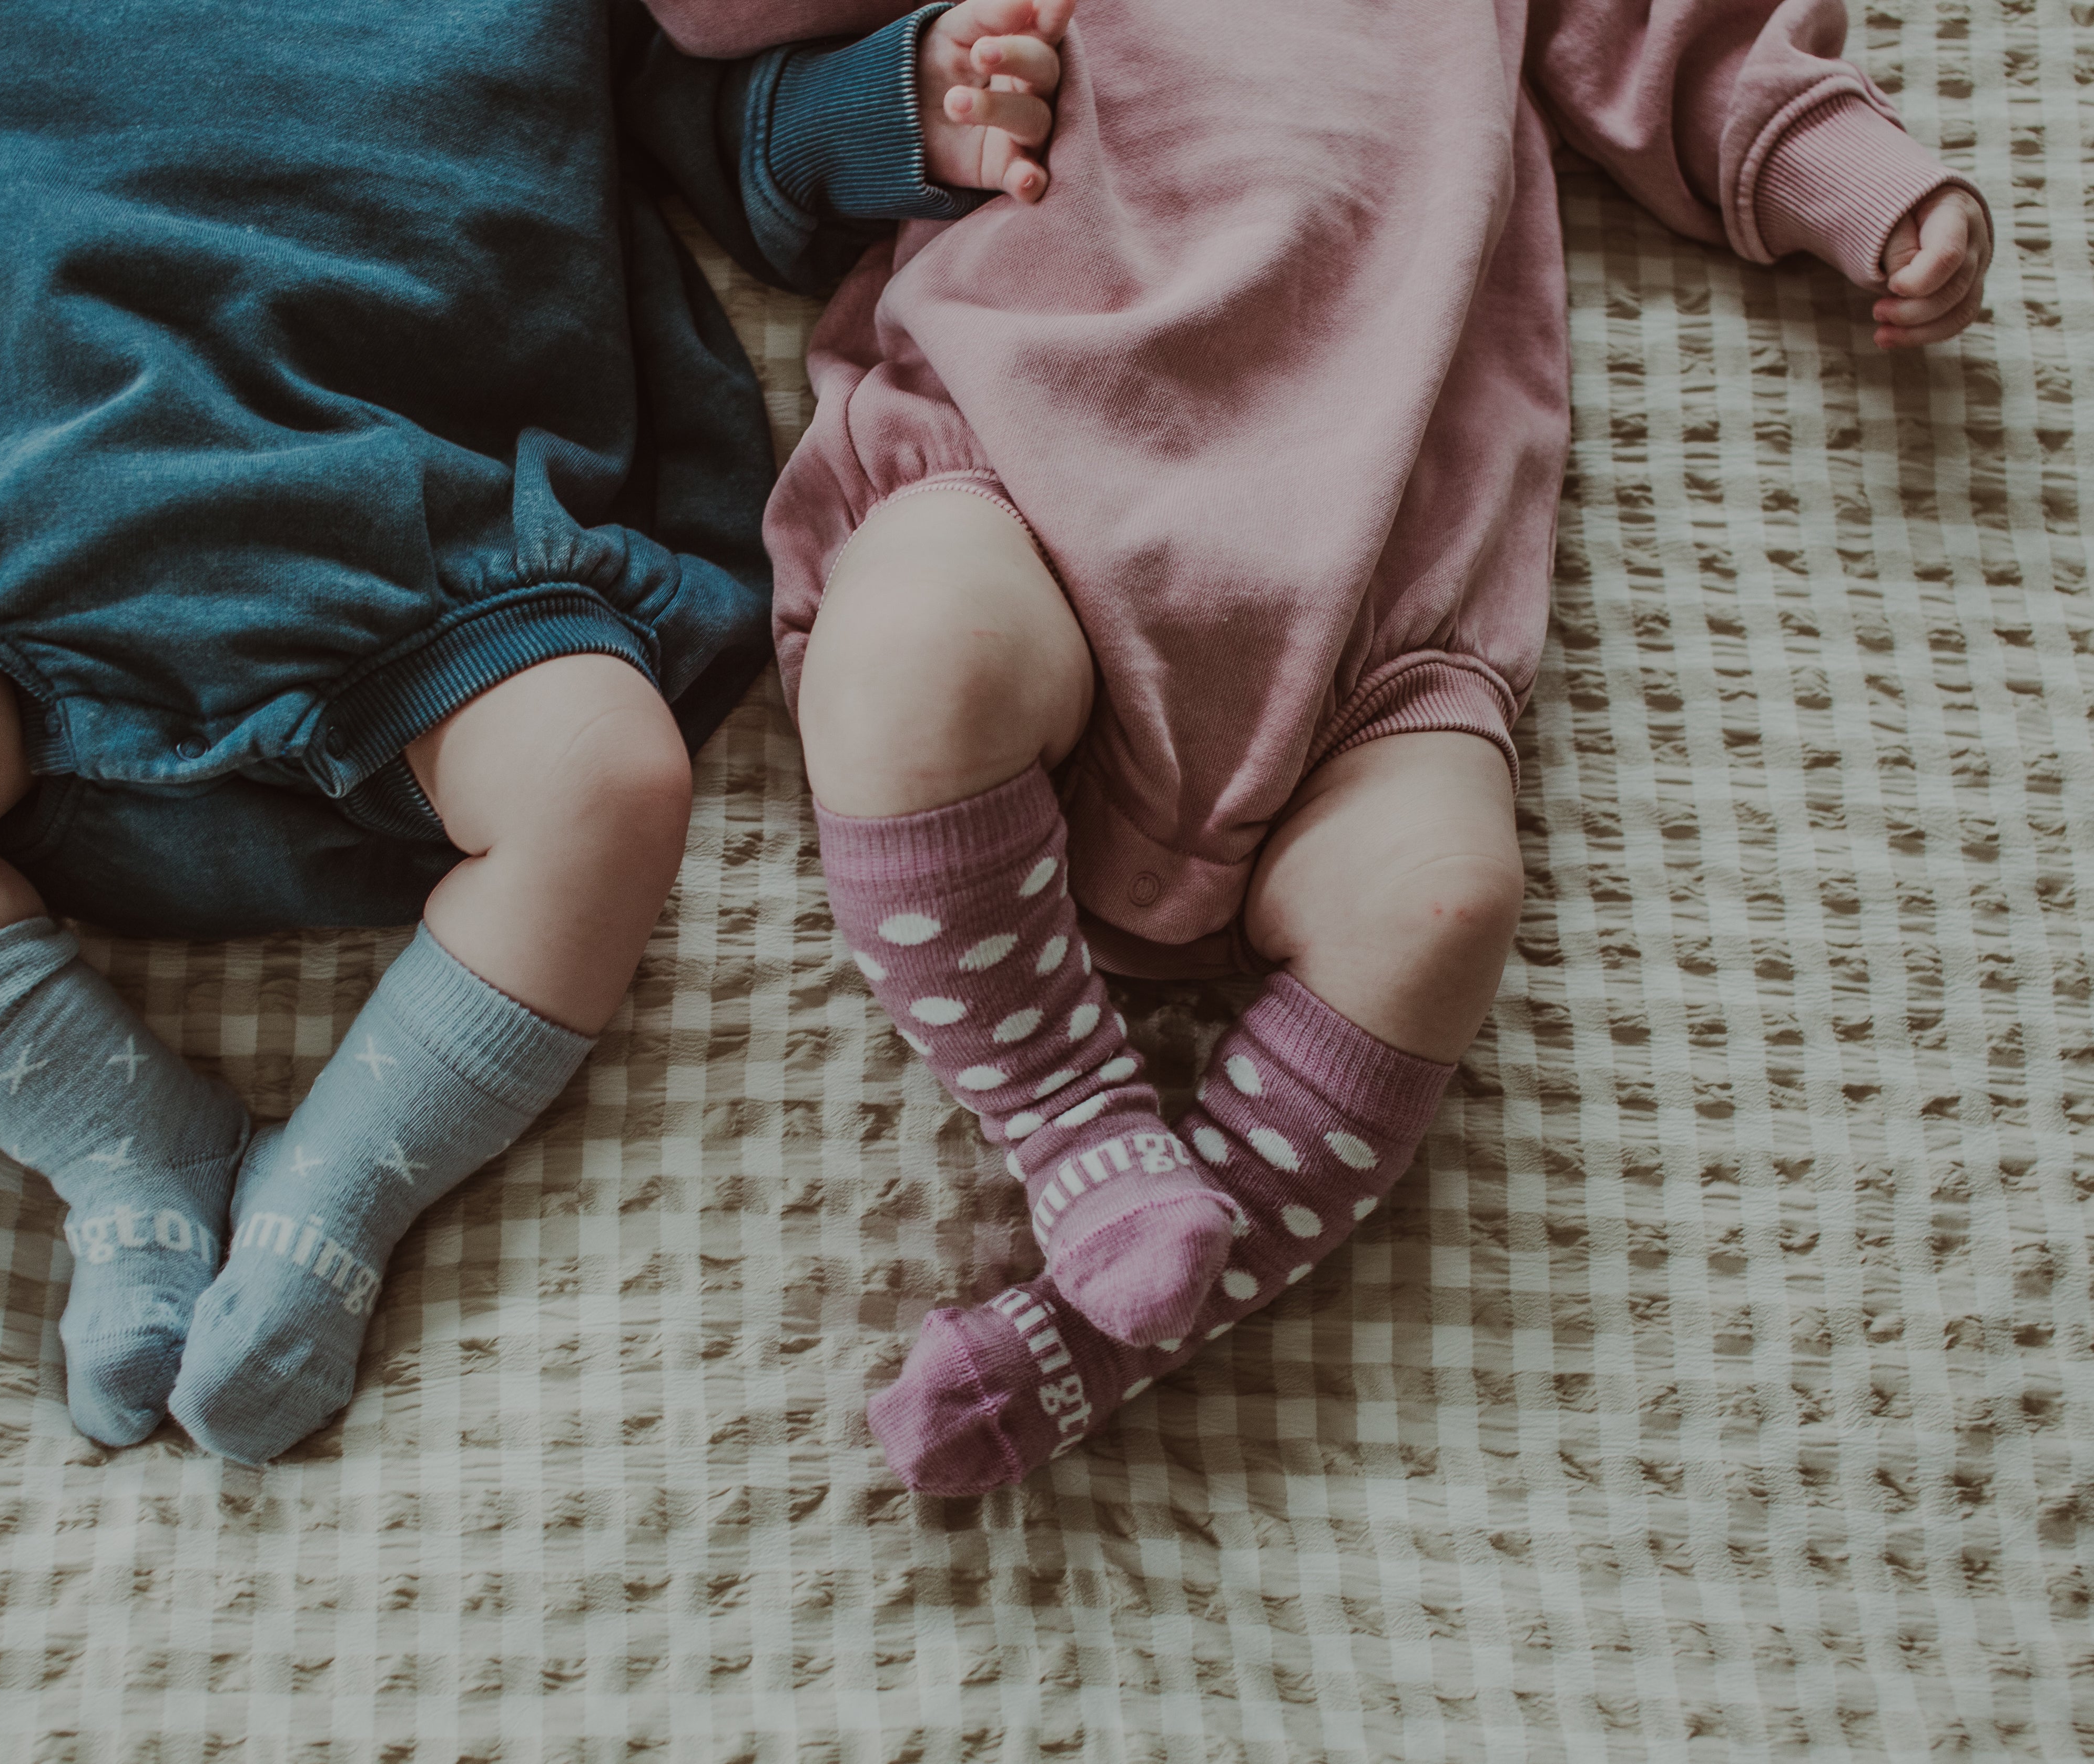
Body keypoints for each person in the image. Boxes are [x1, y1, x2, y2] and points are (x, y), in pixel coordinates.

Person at [0, 0, 1070, 1462]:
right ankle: (125, 1144)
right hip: (13, 501)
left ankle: (341, 1188)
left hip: (430, 519)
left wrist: (903, 104)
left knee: (607, 777)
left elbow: (727, 124)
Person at [653, 0, 1991, 1493]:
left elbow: (1680, 37)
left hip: (1389, 577)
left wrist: (1860, 177)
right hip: (1035, 451)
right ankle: (1074, 1123)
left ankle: (1115, 1321)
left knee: (1442, 906)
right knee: (916, 659)